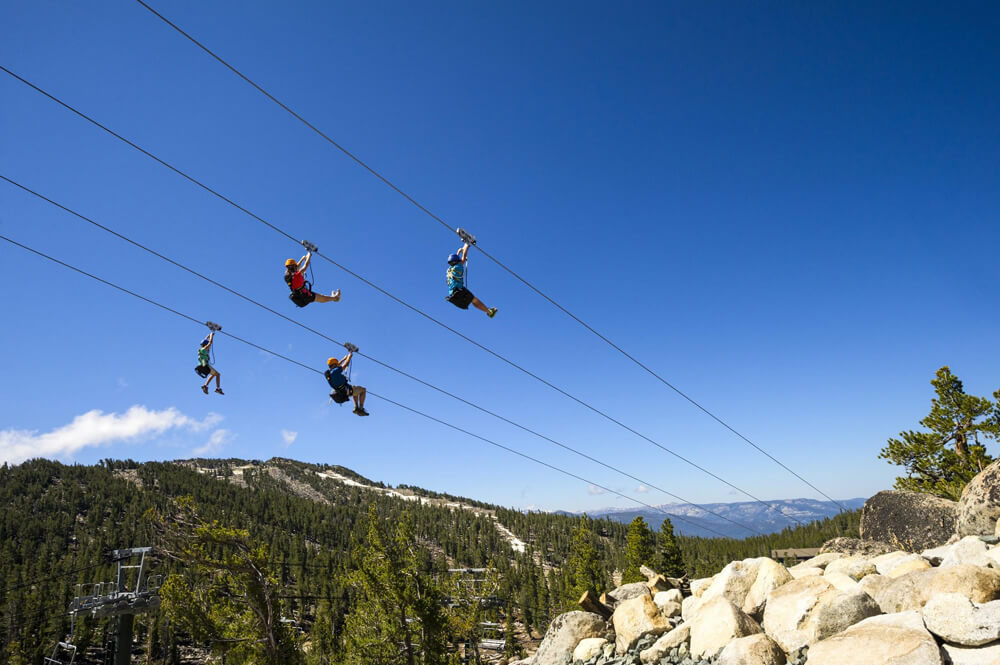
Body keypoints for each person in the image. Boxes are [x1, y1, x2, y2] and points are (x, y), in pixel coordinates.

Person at [446, 242, 497, 318]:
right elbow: (464, 257)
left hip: (453, 294)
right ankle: (489, 312)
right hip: (459, 291)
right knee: (474, 300)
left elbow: (457, 260)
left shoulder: (450, 269)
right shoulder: (458, 267)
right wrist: (466, 246)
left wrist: (459, 252)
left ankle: (488, 311)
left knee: (473, 300)